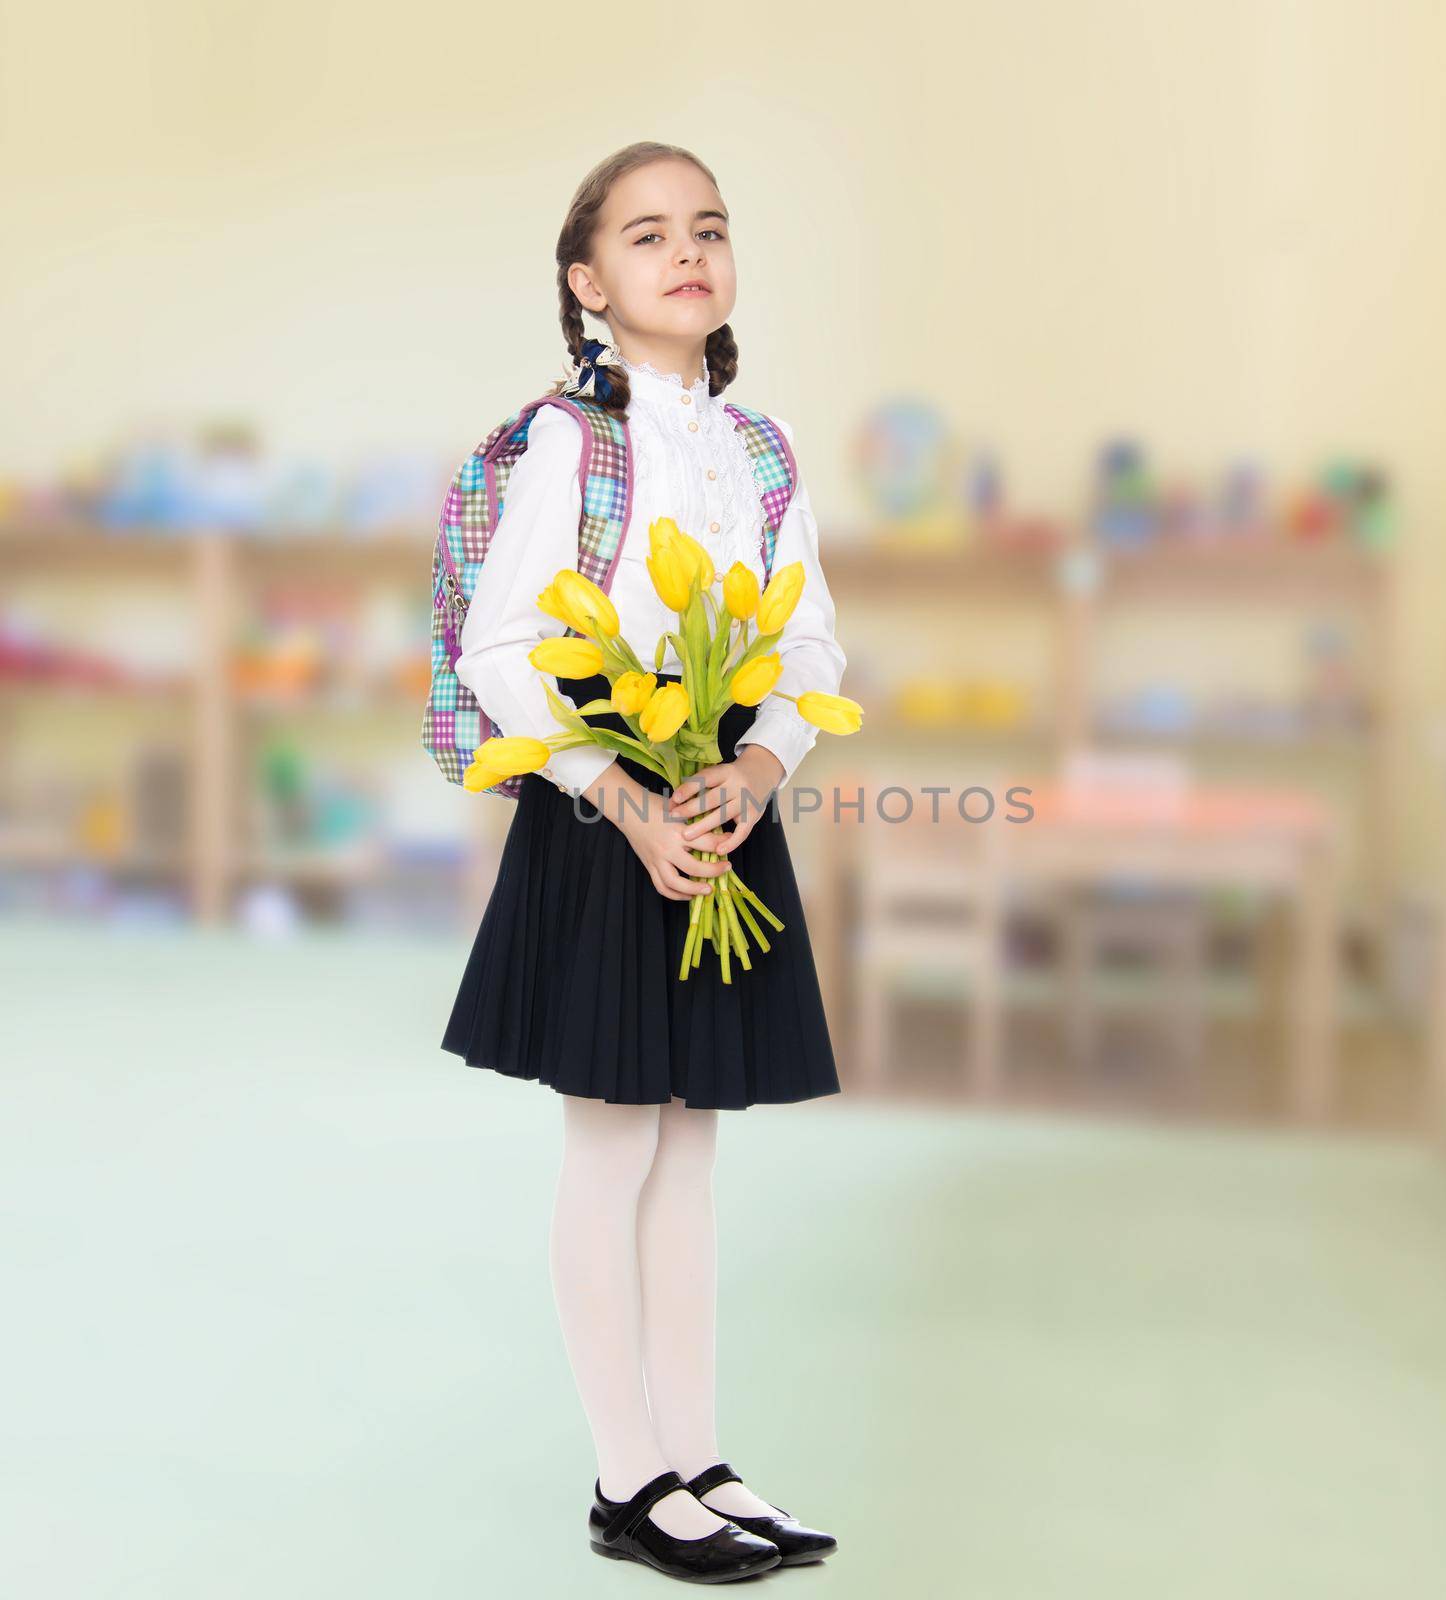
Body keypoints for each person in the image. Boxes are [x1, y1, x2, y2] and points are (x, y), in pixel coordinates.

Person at [439, 142, 842, 1583]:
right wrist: (624, 795)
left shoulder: (764, 448)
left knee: (691, 1147)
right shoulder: (566, 442)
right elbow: (498, 650)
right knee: (613, 1143)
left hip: (719, 791)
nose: (689, 252)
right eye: (650, 233)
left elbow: (810, 649)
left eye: (712, 229)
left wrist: (753, 769)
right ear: (588, 283)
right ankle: (628, 1479)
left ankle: (700, 1455)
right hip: (610, 804)